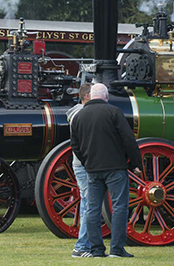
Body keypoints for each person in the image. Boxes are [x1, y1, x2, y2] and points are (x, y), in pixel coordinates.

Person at [70, 83, 141, 258]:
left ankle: (96, 250)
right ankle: (116, 249)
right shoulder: (114, 112)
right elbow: (128, 139)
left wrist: (87, 162)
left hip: (92, 169)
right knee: (119, 207)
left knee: (92, 209)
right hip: (115, 167)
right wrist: (135, 163)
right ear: (106, 97)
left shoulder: (79, 116)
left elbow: (75, 146)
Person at [66, 83, 92, 258]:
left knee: (87, 202)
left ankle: (87, 243)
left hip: (81, 163)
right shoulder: (81, 115)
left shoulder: (75, 113)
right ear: (88, 96)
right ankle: (81, 246)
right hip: (85, 164)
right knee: (89, 204)